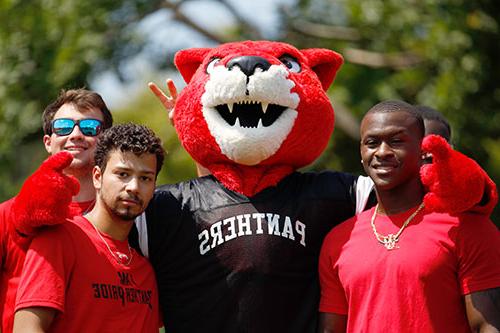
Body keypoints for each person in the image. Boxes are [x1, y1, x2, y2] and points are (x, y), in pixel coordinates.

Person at [318, 100, 500, 332]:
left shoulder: (466, 226)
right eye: (372, 143)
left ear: (422, 150)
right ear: (361, 152)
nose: (382, 152)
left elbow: (487, 325)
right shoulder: (339, 240)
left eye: (396, 141)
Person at [13, 123, 164, 332]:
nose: (134, 187)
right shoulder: (59, 238)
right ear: (97, 177)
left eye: (145, 178)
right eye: (122, 174)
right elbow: (27, 328)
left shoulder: (146, 270)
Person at [0, 89, 113, 333]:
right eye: (63, 126)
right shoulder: (6, 215)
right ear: (48, 142)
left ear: (107, 141)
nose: (76, 134)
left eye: (90, 127)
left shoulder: (127, 218)